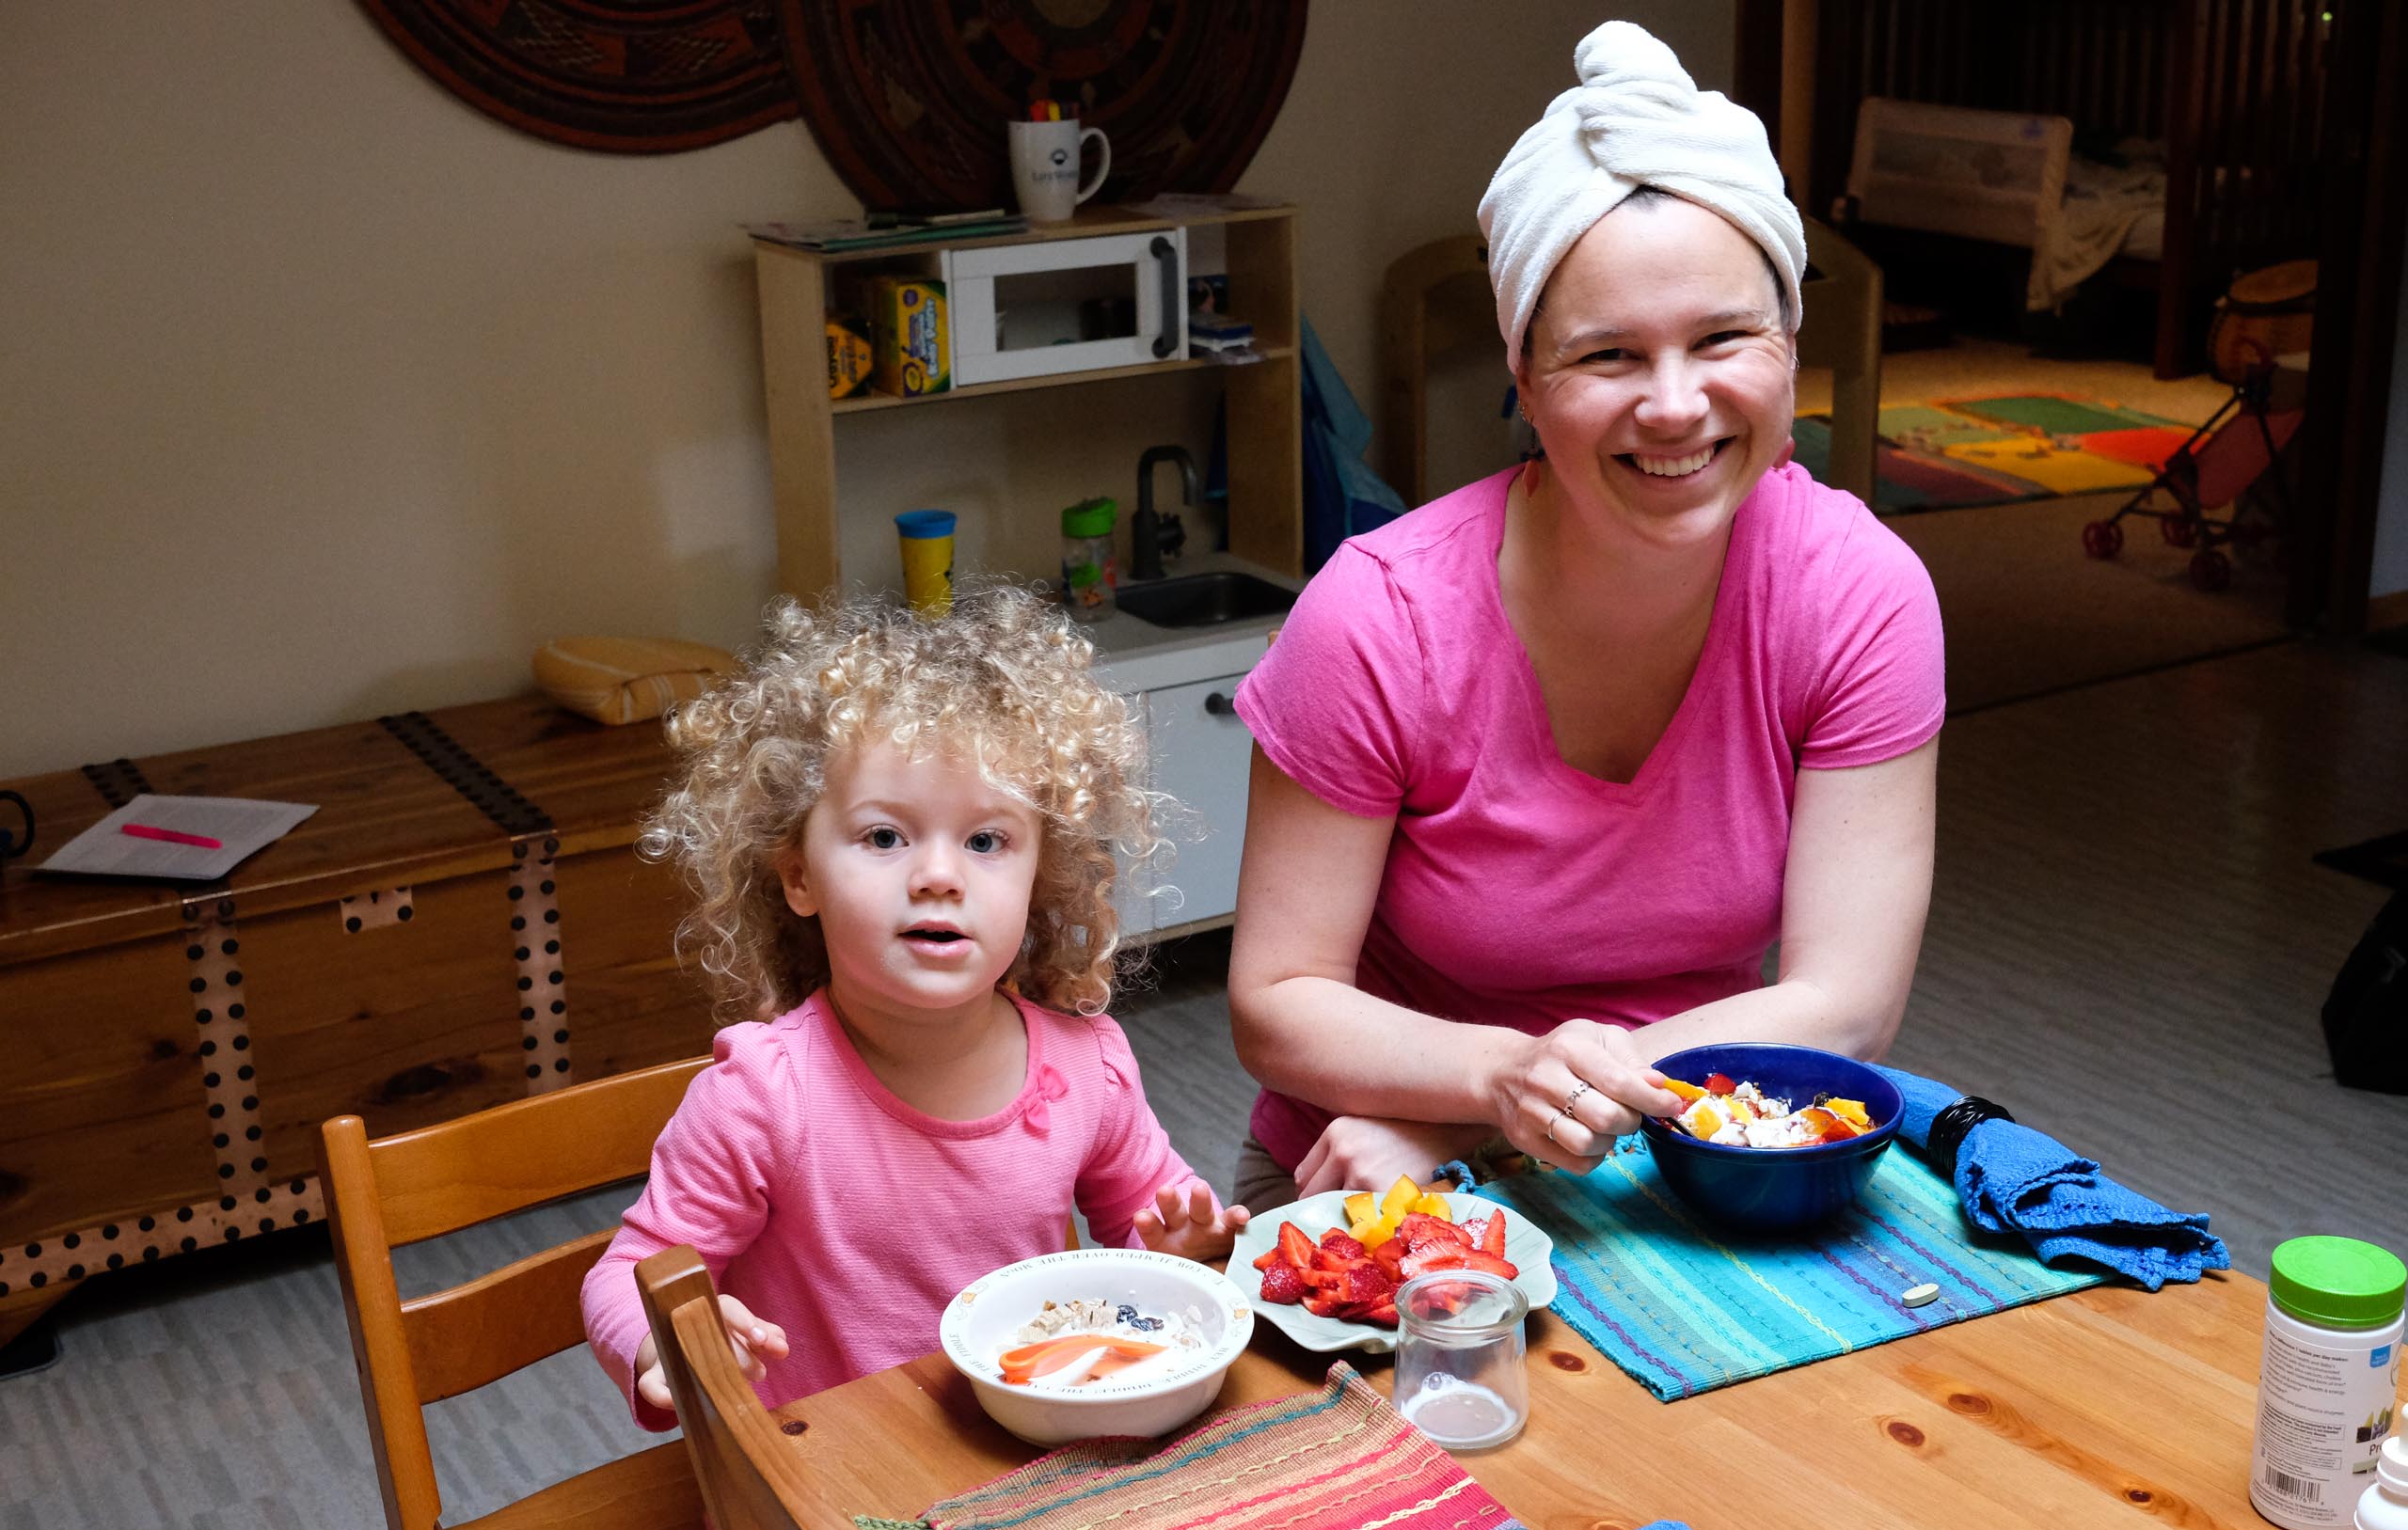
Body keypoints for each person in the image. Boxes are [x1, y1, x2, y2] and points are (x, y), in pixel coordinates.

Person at [1226, 20, 1946, 1209]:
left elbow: (1845, 1002)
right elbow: (1278, 1000)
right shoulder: (1379, 616)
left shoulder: (1855, 592)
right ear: (1523, 376)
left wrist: (1507, 1120)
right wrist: (1490, 1087)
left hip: (1699, 1149)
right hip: (1373, 1157)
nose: (1674, 406)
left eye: (1722, 338)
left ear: (1788, 341)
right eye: (1608, 355)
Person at [581, 589, 1247, 1428]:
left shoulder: (1090, 1069)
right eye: (885, 837)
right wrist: (670, 1338)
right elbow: (628, 1272)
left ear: (1039, 876)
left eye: (986, 840)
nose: (938, 875)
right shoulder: (761, 1097)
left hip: (1034, 1455)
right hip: (829, 1483)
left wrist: (1186, 1250)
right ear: (799, 876)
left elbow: (1154, 1229)